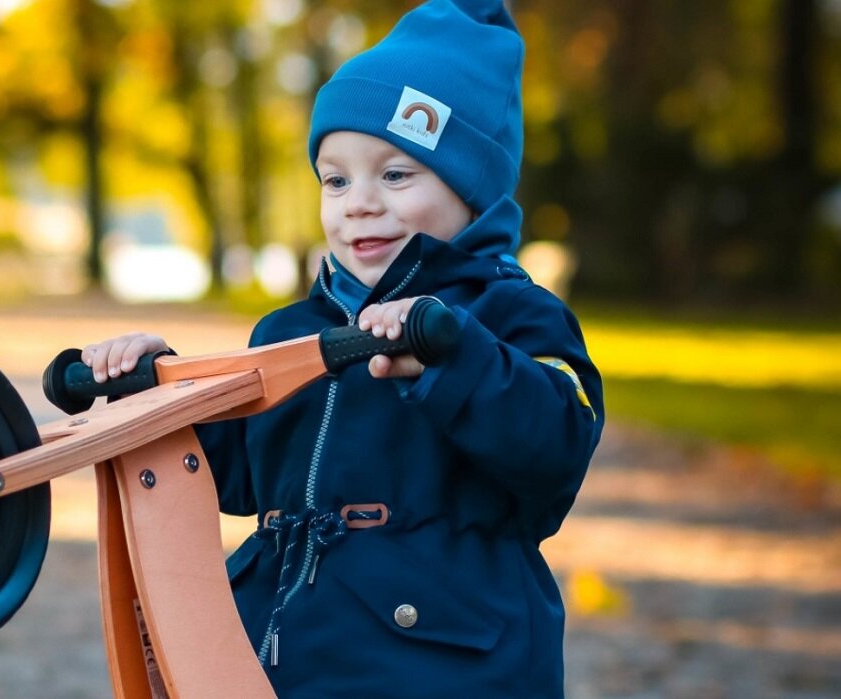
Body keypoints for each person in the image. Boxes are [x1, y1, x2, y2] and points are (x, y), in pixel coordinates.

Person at [80, 1, 604, 696]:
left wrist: (457, 360)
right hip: (287, 654)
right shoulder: (287, 331)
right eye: (336, 179)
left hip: (444, 661)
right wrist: (154, 391)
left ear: (472, 190)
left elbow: (558, 444)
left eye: (395, 175)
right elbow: (236, 473)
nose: (358, 202)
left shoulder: (508, 313)